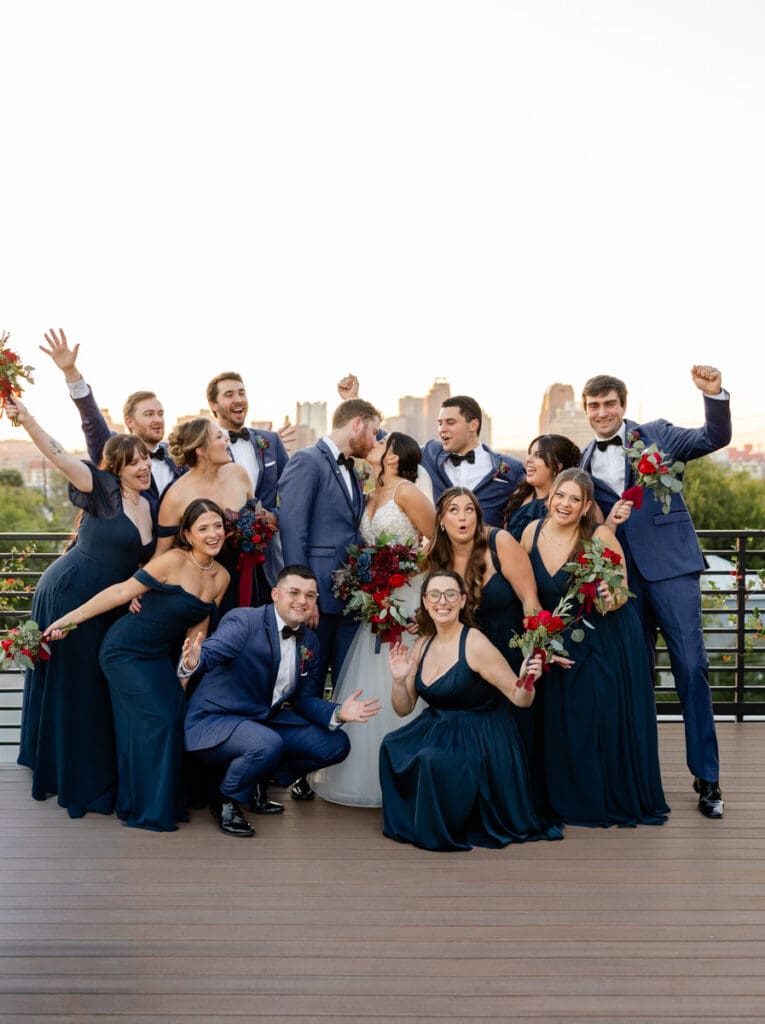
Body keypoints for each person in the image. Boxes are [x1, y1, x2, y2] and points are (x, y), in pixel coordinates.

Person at [579, 367, 731, 819]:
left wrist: (714, 395)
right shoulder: (582, 460)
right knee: (637, 677)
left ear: (622, 406)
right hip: (623, 581)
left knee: (691, 667)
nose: (602, 413)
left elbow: (713, 436)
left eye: (609, 404)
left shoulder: (658, 436)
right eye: (594, 406)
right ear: (587, 412)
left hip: (671, 568)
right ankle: (642, 778)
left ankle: (708, 778)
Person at [6, 395, 155, 818]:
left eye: (144, 458)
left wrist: (138, 589)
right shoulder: (101, 488)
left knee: (91, 683)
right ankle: (65, 772)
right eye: (133, 463)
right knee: (75, 683)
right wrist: (28, 417)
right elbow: (56, 453)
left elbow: (142, 561)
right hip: (70, 591)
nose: (143, 467)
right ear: (116, 470)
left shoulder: (149, 504)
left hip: (106, 602)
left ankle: (77, 764)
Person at [44, 500, 229, 832]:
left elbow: (199, 627)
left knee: (173, 715)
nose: (213, 534)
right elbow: (120, 592)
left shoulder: (221, 577)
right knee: (159, 719)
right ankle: (147, 809)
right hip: (123, 652)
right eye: (204, 528)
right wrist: (67, 621)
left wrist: (187, 669)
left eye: (218, 526)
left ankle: (151, 801)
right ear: (187, 534)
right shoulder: (171, 561)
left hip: (159, 657)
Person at [182, 566, 382, 836]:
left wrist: (338, 713)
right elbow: (213, 651)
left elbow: (304, 700)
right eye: (294, 592)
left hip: (263, 720)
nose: (303, 601)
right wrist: (195, 660)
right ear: (275, 594)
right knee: (267, 743)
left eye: (310, 596)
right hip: (217, 720)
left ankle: (256, 779)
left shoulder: (309, 641)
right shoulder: (245, 621)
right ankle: (225, 799)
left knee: (336, 744)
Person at [520, 468, 670, 828]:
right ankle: (565, 795)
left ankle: (599, 795)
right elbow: (524, 590)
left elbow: (621, 593)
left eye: (575, 499)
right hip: (558, 636)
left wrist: (608, 595)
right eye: (560, 495)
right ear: (550, 496)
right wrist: (536, 638)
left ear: (587, 505)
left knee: (595, 716)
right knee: (562, 720)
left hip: (605, 635)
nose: (565, 504)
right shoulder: (530, 533)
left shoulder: (600, 535)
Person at [380, 571, 564, 852]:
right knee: (391, 745)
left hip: (479, 732)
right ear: (426, 603)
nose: (443, 601)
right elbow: (403, 709)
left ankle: (443, 826)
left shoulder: (475, 643)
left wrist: (527, 679)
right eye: (435, 595)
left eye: (451, 594)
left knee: (431, 759)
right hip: (437, 726)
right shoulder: (422, 644)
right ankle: (415, 821)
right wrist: (398, 680)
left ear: (463, 601)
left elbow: (519, 699)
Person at [312, 432, 435, 807]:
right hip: (375, 601)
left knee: (402, 670)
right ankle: (367, 774)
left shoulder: (408, 493)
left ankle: (410, 773)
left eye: (381, 442)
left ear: (394, 457)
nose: (374, 444)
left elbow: (435, 541)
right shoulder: (368, 494)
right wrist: (373, 580)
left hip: (407, 595)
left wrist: (399, 572)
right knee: (373, 674)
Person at [277, 398, 382, 800]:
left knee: (344, 685)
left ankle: (337, 768)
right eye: (372, 430)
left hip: (350, 600)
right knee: (310, 685)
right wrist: (305, 596)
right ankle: (300, 770)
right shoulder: (307, 461)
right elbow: (293, 532)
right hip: (318, 600)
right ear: (357, 425)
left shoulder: (351, 470)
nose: (374, 440)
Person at [39, 327, 182, 500]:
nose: (158, 419)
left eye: (160, 413)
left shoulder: (176, 455)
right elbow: (91, 419)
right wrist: (71, 371)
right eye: (149, 414)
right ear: (129, 422)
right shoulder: (113, 448)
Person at [154, 417, 261, 610]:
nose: (227, 440)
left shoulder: (239, 474)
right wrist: (140, 588)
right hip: (204, 588)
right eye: (220, 436)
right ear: (201, 451)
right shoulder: (176, 496)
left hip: (248, 578)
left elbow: (257, 517)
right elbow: (162, 553)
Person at [420, 395, 524, 527]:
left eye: (450, 422)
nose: (442, 429)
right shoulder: (430, 453)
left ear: (473, 425)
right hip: (441, 545)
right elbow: (394, 448)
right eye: (440, 423)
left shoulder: (511, 467)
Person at [503, 434, 581, 541]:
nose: (528, 460)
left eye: (538, 455)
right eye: (529, 453)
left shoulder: (571, 504)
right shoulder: (520, 494)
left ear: (557, 466)